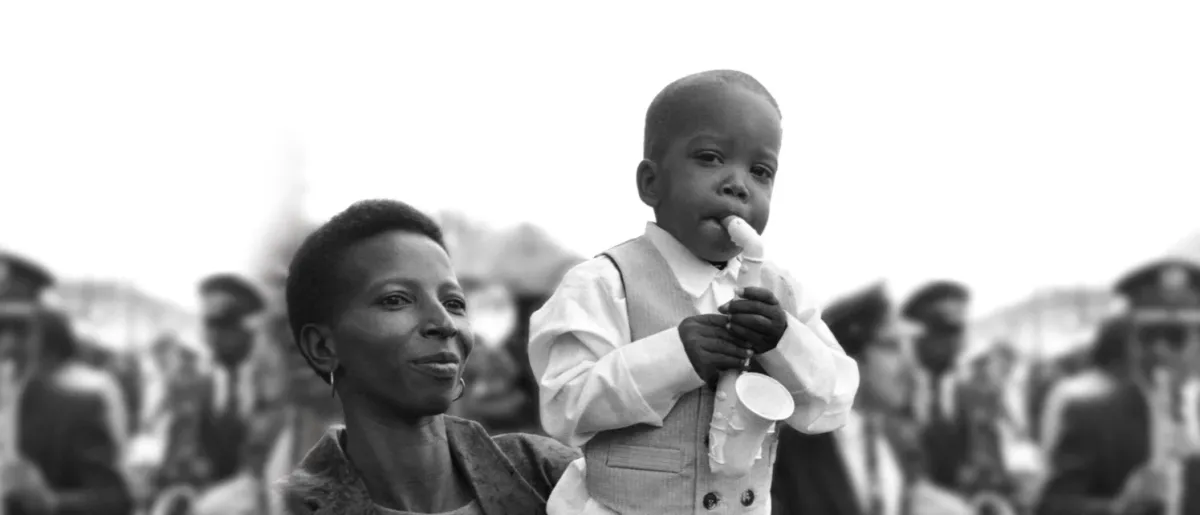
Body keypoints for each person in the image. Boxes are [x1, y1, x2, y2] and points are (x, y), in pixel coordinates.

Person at [528, 69, 859, 515]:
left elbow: (833, 403)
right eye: (710, 157)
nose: (737, 184)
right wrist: (674, 357)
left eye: (761, 171)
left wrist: (785, 343)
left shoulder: (784, 293)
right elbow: (565, 406)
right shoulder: (604, 282)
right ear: (651, 183)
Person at [277, 199, 580, 515]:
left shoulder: (548, 475)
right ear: (323, 347)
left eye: (454, 303)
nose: (444, 323)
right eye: (396, 299)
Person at [773, 283, 973, 515]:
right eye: (892, 347)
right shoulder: (790, 449)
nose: (910, 366)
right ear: (852, 357)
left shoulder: (899, 438)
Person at [1037, 258, 1200, 515]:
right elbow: (1052, 506)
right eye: (1148, 337)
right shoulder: (1091, 416)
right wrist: (1119, 507)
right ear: (1130, 340)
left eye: (1174, 337)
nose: (1159, 350)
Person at [0, 251, 133, 515]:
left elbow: (114, 500)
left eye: (20, 329)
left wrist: (52, 503)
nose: (8, 344)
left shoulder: (73, 409)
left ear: (41, 332)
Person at [901, 280, 973, 491]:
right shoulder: (896, 392)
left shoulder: (958, 388)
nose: (957, 343)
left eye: (958, 332)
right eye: (945, 332)